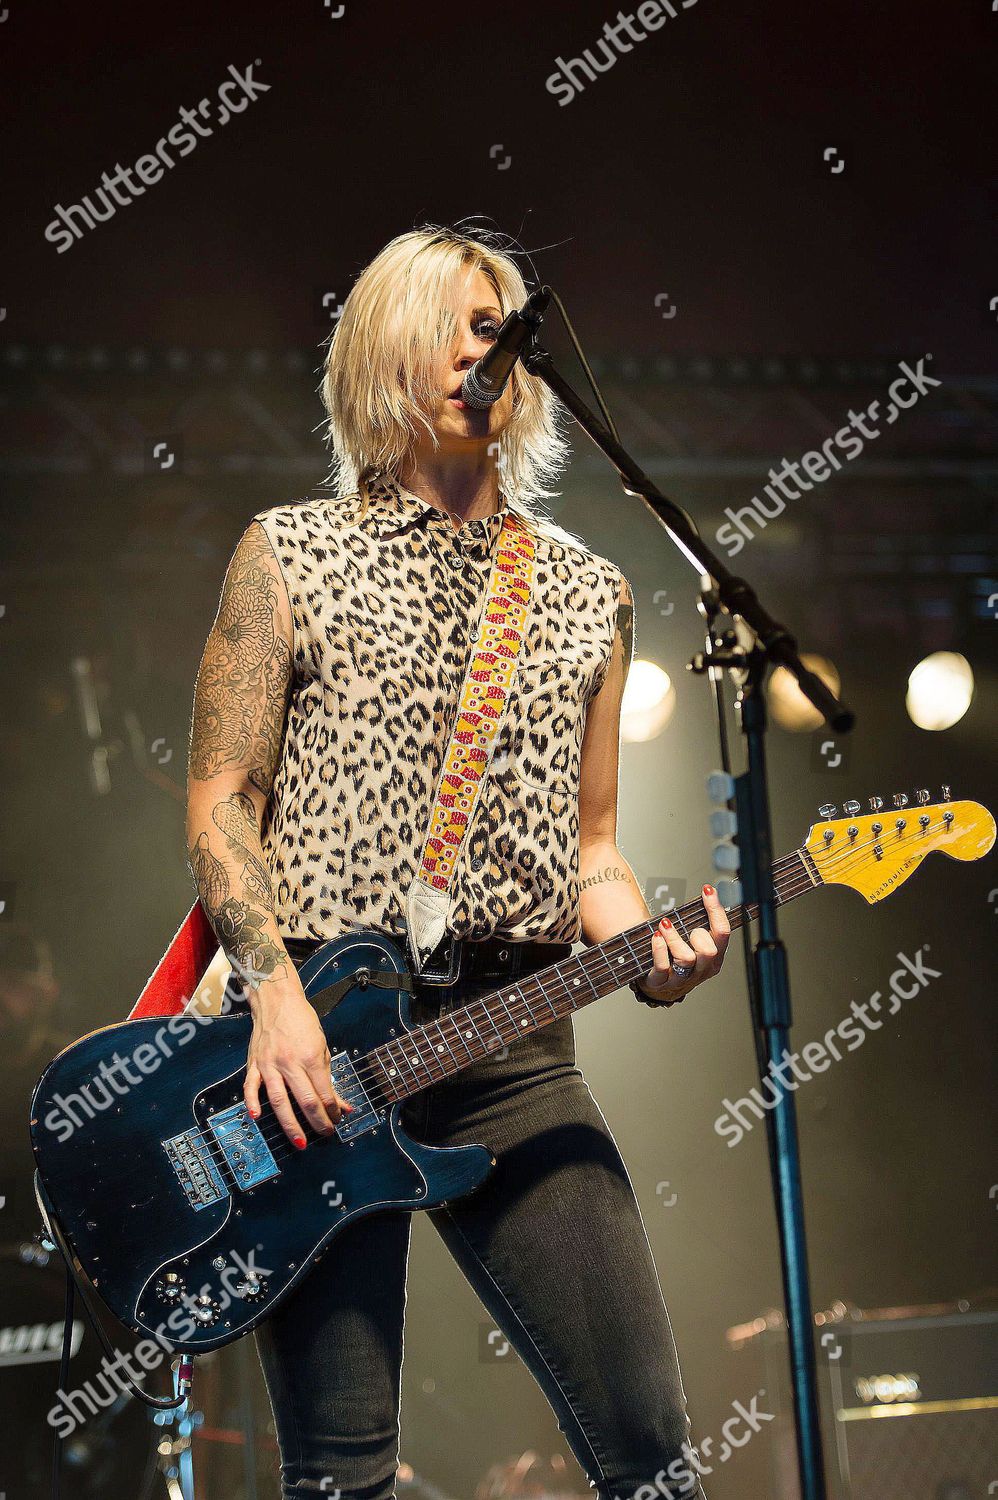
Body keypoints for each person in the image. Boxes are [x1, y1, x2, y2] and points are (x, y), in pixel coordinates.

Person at [185, 223, 730, 1500]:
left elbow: (593, 853)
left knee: (652, 1456)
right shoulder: (287, 554)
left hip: (512, 1052)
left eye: (500, 330)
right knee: (342, 1474)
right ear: (382, 349)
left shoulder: (588, 590)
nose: (482, 354)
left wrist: (649, 950)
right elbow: (221, 804)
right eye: (454, 326)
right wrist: (269, 993)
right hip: (311, 1043)